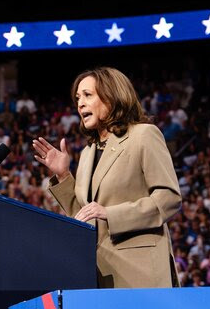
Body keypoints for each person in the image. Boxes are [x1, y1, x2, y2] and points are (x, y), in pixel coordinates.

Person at [33, 67, 182, 288]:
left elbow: (168, 199)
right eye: (77, 98)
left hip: (140, 272)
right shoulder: (87, 152)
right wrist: (63, 175)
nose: (80, 103)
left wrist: (110, 213)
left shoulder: (143, 135)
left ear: (112, 97)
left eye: (87, 95)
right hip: (99, 272)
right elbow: (83, 216)